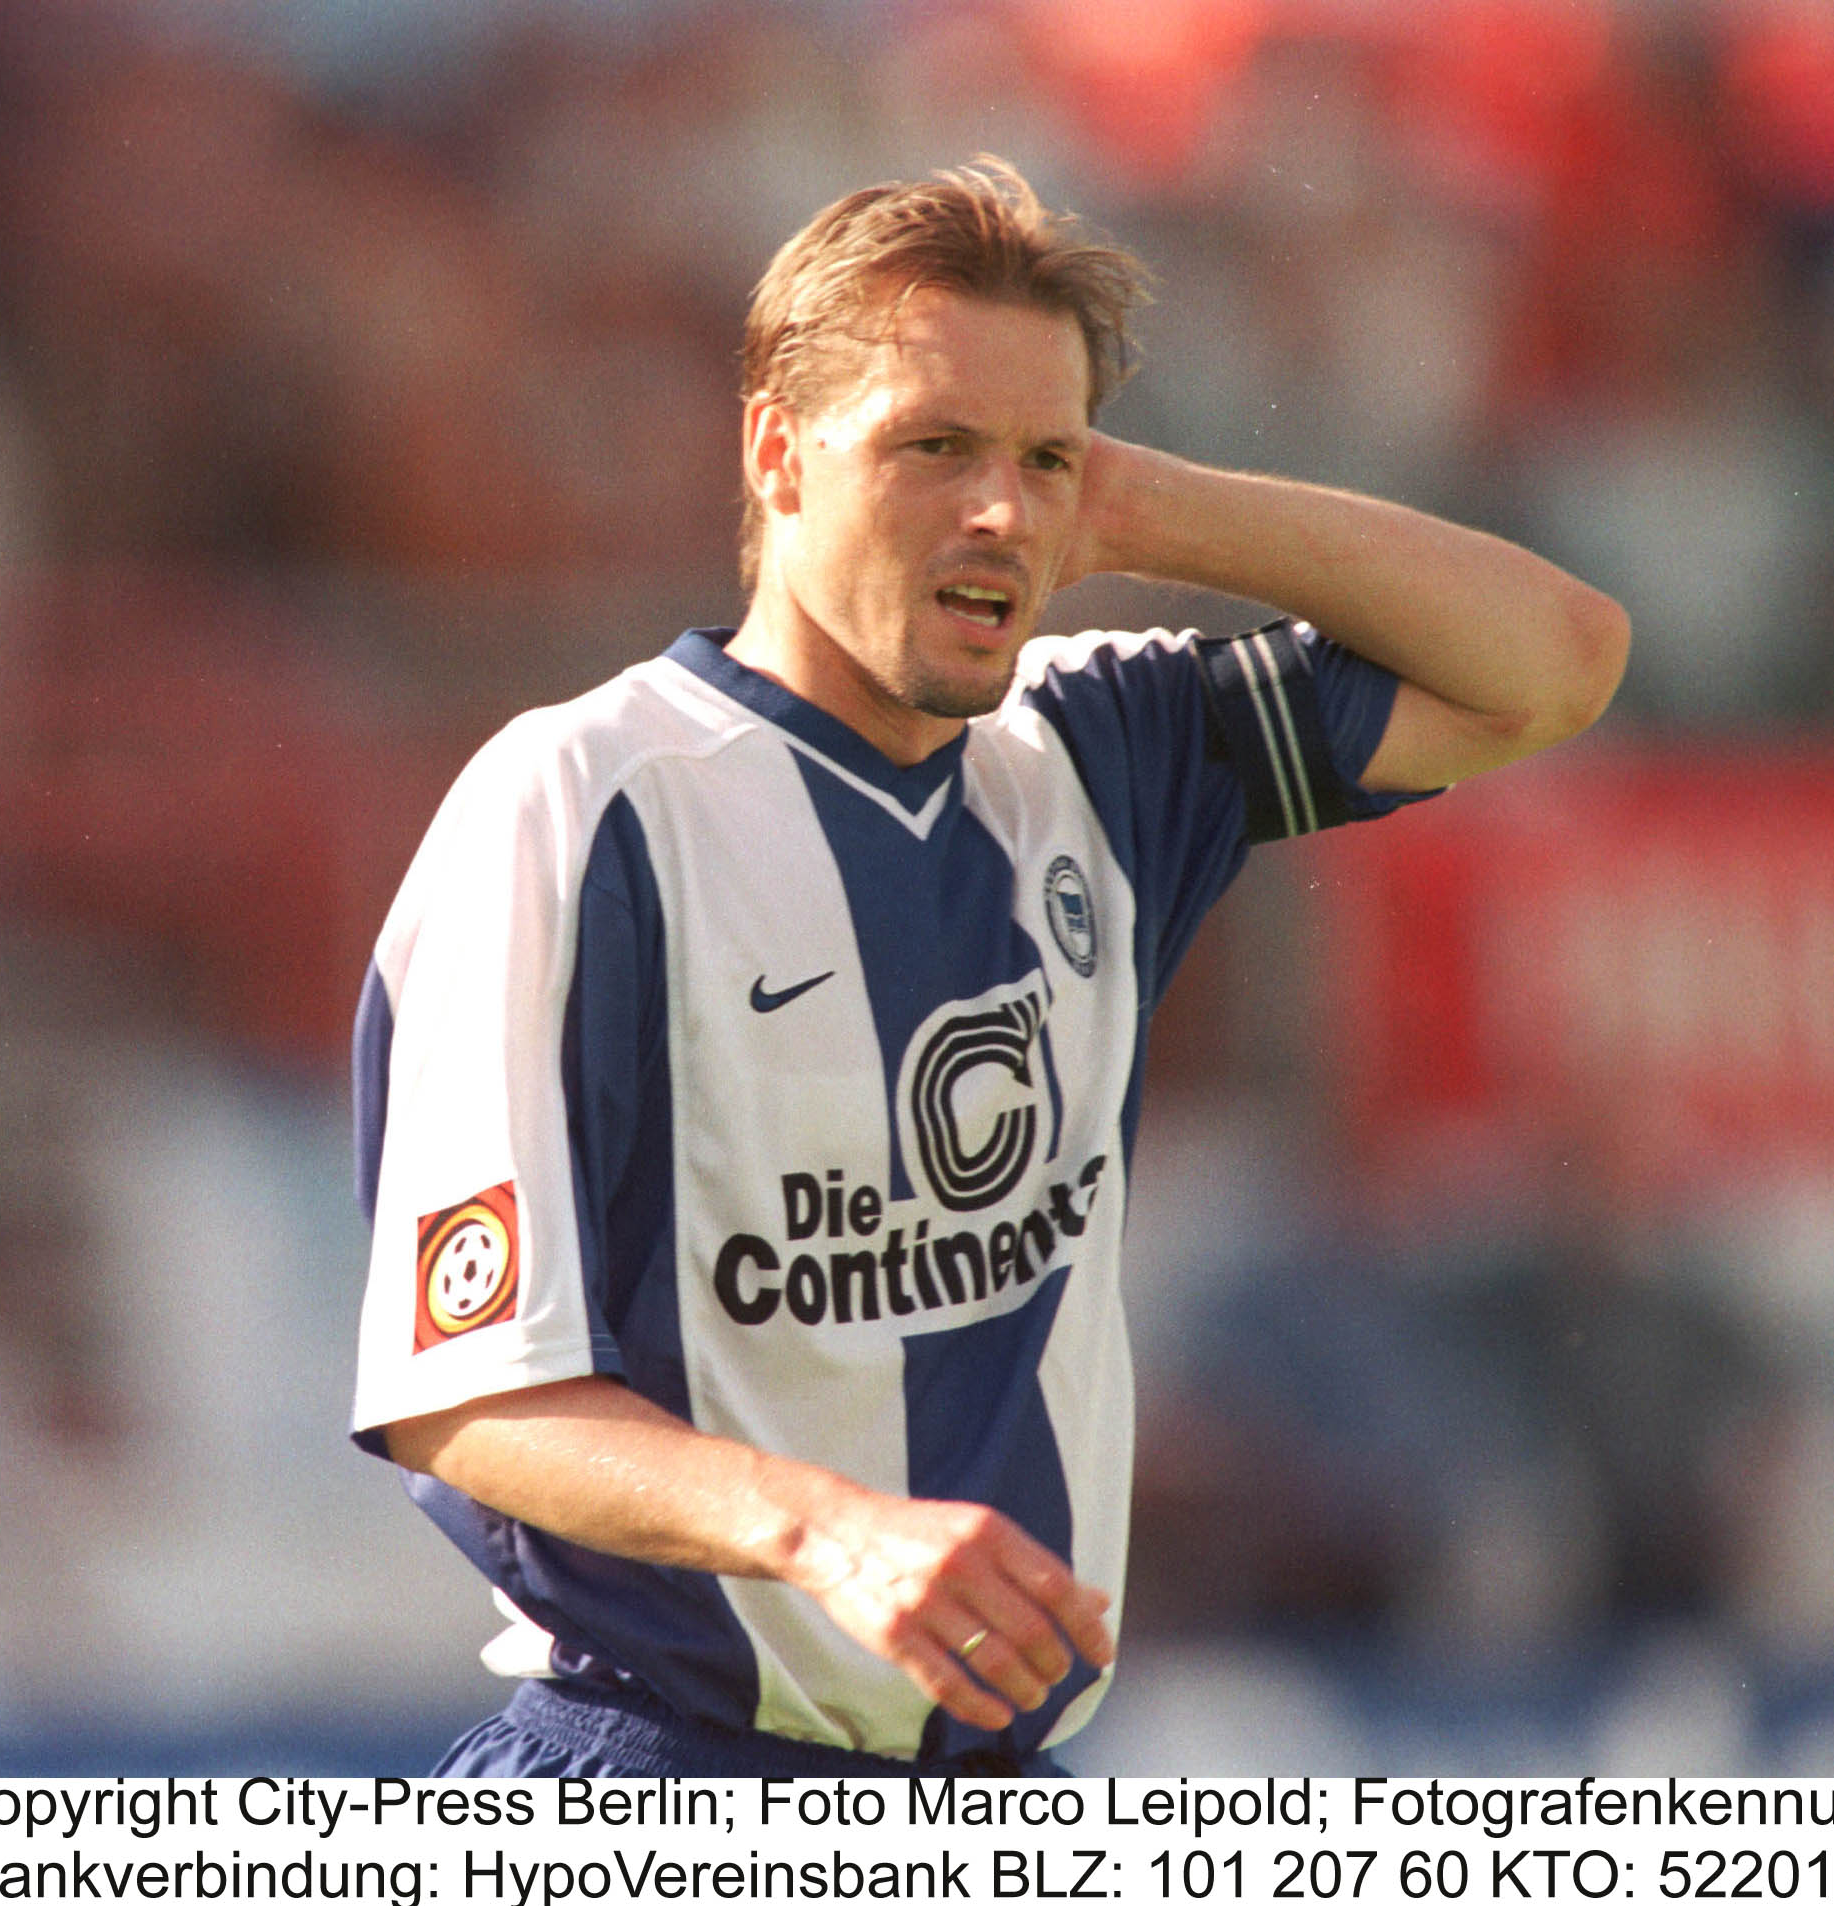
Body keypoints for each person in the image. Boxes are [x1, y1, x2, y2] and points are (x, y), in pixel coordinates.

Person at [350, 161, 1628, 1777]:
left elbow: (1556, 667)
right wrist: (826, 1535)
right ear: (773, 452)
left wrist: (1139, 503)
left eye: (1042, 459)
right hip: (660, 1773)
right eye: (929, 446)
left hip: (994, 1802)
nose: (998, 513)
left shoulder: (1099, 747)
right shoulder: (580, 803)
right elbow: (463, 1402)